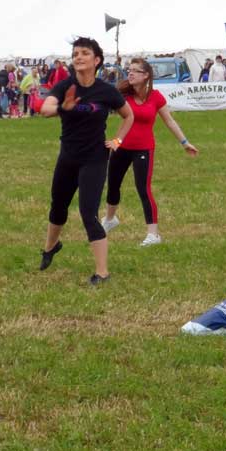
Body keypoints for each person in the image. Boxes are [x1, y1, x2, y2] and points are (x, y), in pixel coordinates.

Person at [38, 37, 134, 286]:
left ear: (97, 60)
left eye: (84, 53)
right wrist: (63, 107)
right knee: (58, 206)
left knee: (87, 213)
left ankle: (102, 272)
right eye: (75, 54)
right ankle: (50, 247)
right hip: (68, 156)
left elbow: (128, 115)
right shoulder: (65, 86)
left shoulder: (106, 91)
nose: (78, 57)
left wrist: (118, 141)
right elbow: (45, 109)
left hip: (94, 158)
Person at [102, 57, 199, 246]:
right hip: (120, 146)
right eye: (129, 70)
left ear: (146, 75)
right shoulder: (123, 95)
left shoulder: (156, 97)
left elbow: (169, 121)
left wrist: (185, 142)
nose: (129, 73)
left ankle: (153, 234)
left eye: (135, 70)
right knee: (113, 185)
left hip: (143, 149)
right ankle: (110, 219)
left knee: (143, 189)